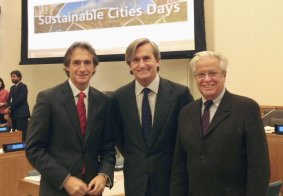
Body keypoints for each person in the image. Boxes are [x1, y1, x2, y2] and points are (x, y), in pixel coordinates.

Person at [170, 51, 270, 196]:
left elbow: (259, 167)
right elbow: (179, 166)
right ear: (195, 78)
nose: (207, 79)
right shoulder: (186, 112)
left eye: (212, 73)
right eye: (201, 74)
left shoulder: (246, 108)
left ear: (224, 75)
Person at [25, 42, 115, 196]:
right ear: (67, 66)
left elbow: (108, 149)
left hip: (91, 191)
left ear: (94, 67)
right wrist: (65, 179)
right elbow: (34, 149)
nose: (82, 68)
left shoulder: (103, 102)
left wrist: (103, 175)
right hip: (57, 189)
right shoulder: (48, 99)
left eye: (87, 62)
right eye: (76, 62)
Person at [111, 38, 194, 196]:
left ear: (157, 61)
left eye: (146, 58)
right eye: (135, 60)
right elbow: (120, 139)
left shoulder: (180, 94)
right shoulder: (118, 98)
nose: (142, 64)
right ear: (130, 65)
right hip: (136, 182)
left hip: (171, 182)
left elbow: (186, 139)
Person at [6, 70, 30, 140]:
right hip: (14, 114)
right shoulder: (12, 88)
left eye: (14, 76)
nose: (12, 78)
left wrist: (10, 107)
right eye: (11, 77)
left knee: (22, 133)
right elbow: (9, 99)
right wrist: (7, 107)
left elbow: (20, 99)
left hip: (22, 114)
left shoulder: (23, 86)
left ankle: (23, 149)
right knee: (15, 133)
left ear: (19, 77)